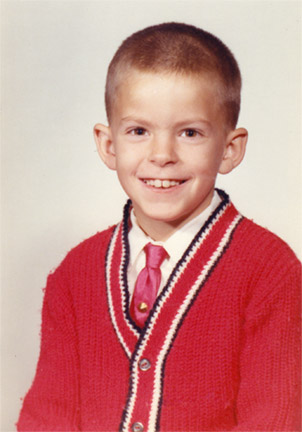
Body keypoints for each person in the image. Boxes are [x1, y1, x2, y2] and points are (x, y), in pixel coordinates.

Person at [17, 22, 301, 432]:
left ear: (230, 148)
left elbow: (274, 422)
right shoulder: (74, 275)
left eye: (189, 132)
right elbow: (48, 418)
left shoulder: (271, 271)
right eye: (139, 131)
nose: (162, 155)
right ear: (108, 144)